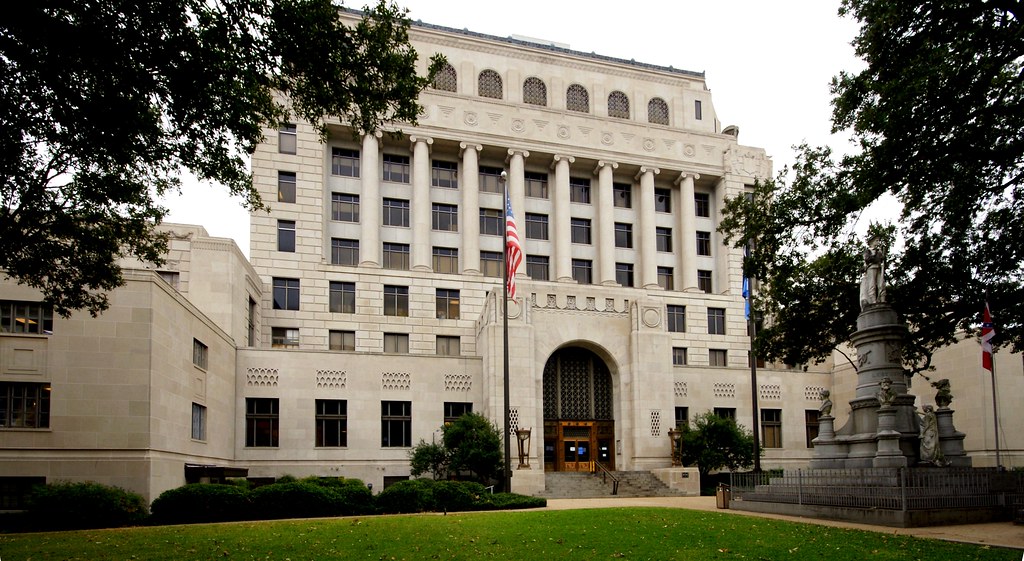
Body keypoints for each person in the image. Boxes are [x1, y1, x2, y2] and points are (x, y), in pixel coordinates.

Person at [859, 235, 886, 309]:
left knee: (881, 284)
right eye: (876, 241)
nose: (878, 242)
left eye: (878, 240)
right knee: (872, 285)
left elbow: (882, 260)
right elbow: (867, 259)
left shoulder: (878, 251)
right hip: (871, 268)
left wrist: (881, 257)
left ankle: (882, 299)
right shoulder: (867, 251)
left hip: (878, 268)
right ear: (871, 242)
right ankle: (873, 301)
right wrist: (877, 257)